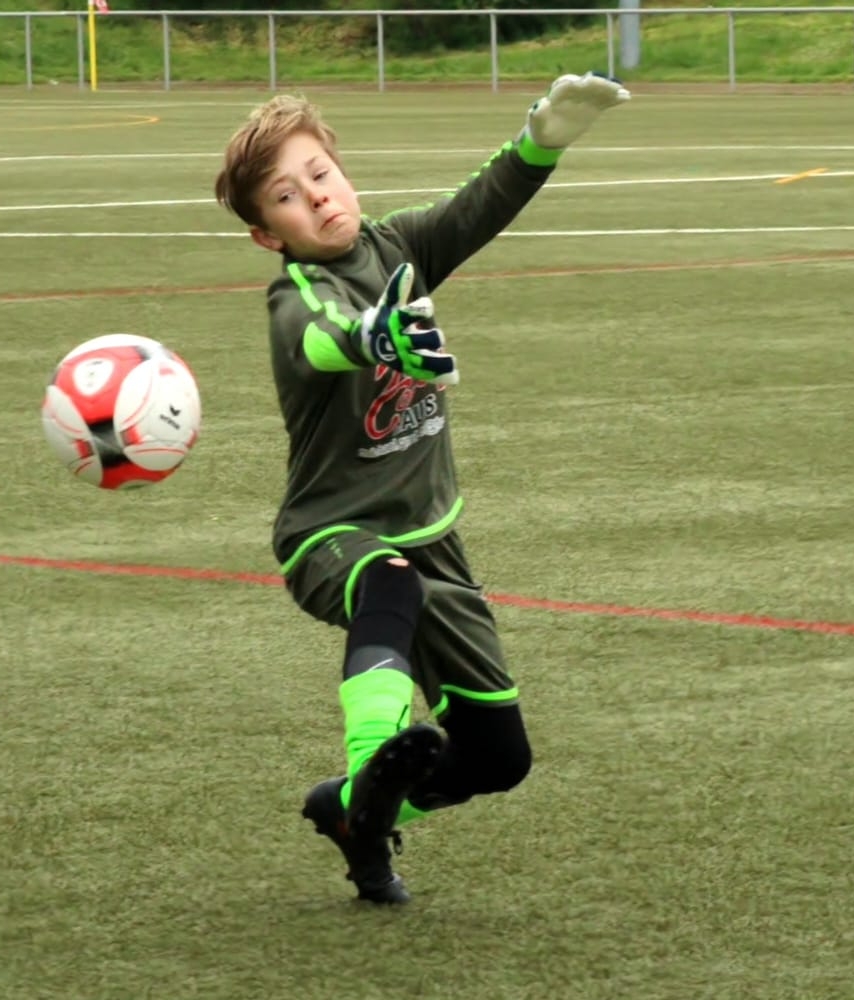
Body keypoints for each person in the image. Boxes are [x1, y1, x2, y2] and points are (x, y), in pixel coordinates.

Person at [212, 74, 630, 904]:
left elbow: (475, 209)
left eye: (319, 173)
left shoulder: (397, 247)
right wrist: (376, 333)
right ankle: (372, 755)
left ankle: (352, 809)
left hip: (432, 538)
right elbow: (322, 339)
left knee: (497, 759)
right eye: (287, 197)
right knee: (388, 584)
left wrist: (541, 142)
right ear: (267, 235)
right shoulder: (297, 294)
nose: (315, 197)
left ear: (341, 170)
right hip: (332, 534)